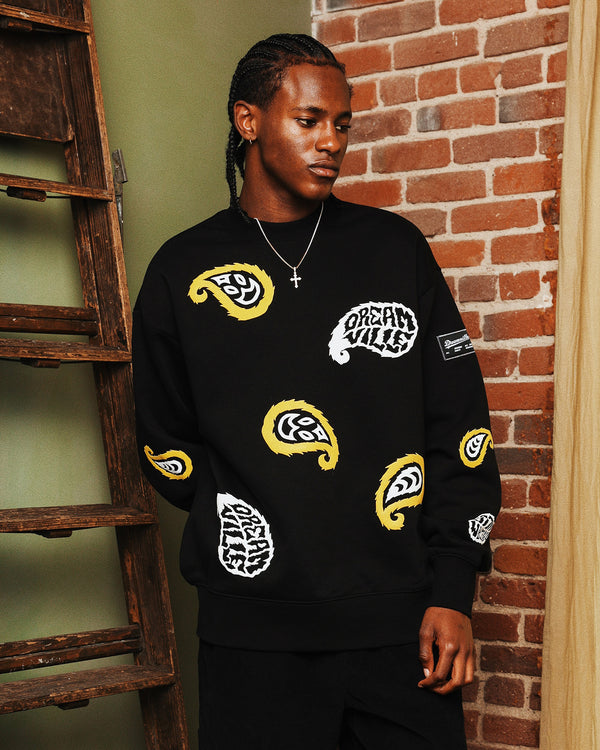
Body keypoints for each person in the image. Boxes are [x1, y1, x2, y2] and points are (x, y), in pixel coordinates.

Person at [132, 33, 501, 750]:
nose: (331, 141)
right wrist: (246, 509)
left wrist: (453, 591)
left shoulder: (394, 250)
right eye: (309, 120)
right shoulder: (182, 270)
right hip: (253, 643)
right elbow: (162, 437)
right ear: (248, 121)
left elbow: (460, 424)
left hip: (402, 633)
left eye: (342, 124)